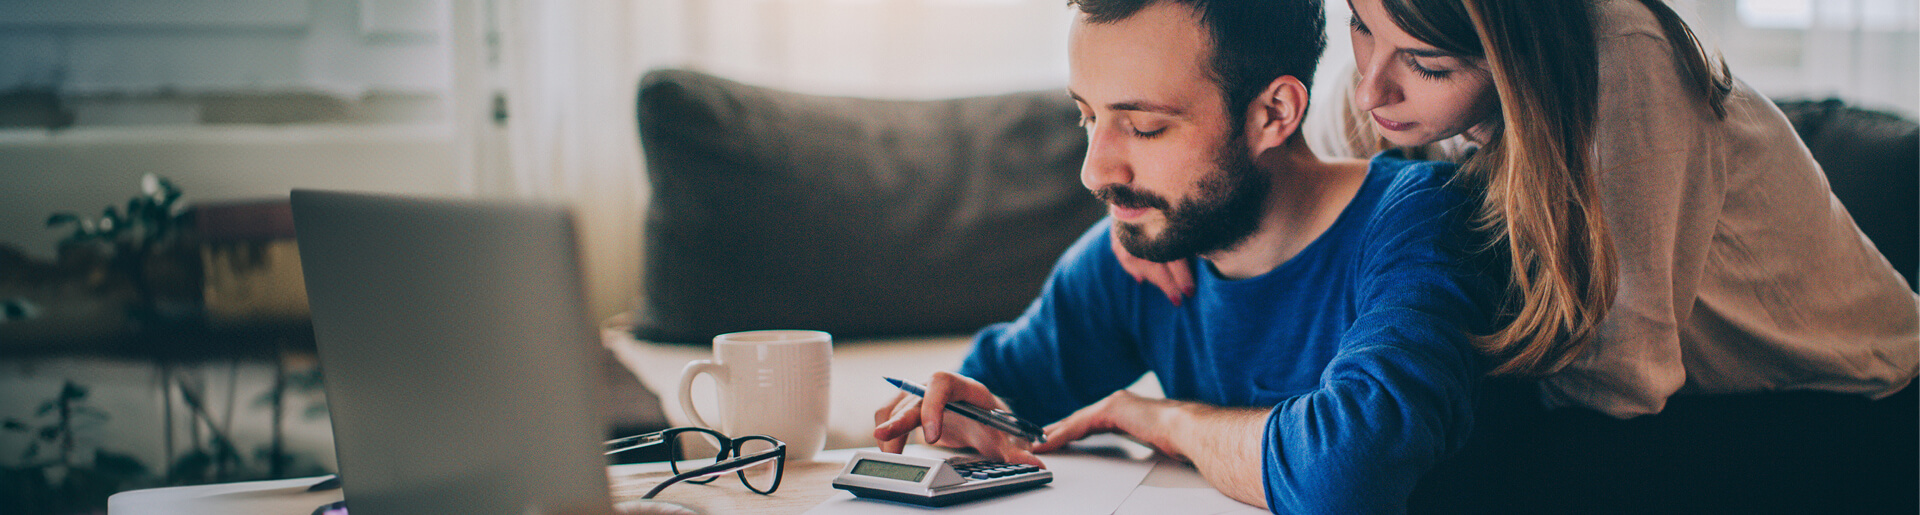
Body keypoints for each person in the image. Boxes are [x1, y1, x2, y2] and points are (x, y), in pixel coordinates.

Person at [1116, 0, 1918, 510]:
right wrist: (1157, 217)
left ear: (1516, 55)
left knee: (1454, 460)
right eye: (1362, 24)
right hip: (1663, 400)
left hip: (1843, 402)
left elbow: (1624, 377)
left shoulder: (1621, 59)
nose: (1371, 90)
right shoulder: (1389, 70)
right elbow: (1292, 189)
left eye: (1429, 64)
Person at [871, 0, 1506, 512]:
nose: (1095, 172)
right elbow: (999, 398)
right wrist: (952, 410)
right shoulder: (1142, 252)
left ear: (1272, 112)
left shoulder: (1424, 222)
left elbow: (1348, 476)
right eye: (1087, 117)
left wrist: (1164, 421)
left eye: (1144, 126)